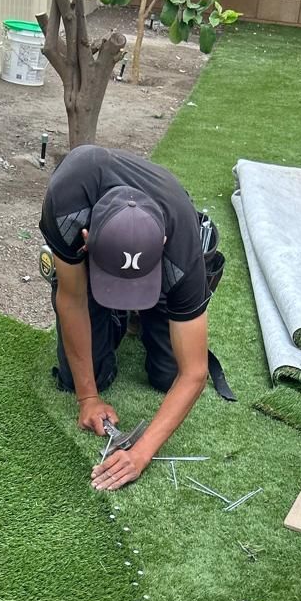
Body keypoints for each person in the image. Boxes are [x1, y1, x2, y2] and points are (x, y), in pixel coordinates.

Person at [39, 145, 225, 492]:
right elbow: (72, 299)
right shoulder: (67, 204)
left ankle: (169, 292)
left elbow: (194, 373)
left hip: (170, 250)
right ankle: (112, 299)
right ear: (86, 238)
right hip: (90, 261)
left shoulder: (179, 247)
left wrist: (140, 454)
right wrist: (88, 398)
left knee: (167, 375)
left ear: (164, 242)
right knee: (83, 374)